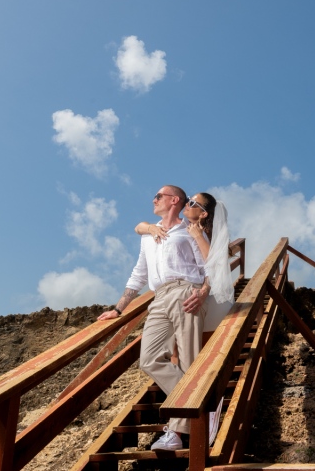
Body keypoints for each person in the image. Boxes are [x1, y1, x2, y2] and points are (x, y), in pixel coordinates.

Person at [98, 185, 209, 451]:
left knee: (189, 361)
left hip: (186, 292)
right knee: (148, 359)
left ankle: (176, 432)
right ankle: (201, 409)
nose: (153, 199)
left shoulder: (189, 230)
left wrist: (203, 292)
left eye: (158, 196)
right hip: (158, 298)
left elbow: (208, 267)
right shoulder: (148, 235)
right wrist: (118, 308)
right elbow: (139, 273)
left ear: (174, 200)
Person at [136, 192, 234, 335]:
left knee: (203, 348)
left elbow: (213, 265)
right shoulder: (180, 229)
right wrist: (151, 228)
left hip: (209, 298)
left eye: (192, 203)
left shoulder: (207, 234)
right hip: (185, 297)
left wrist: (198, 236)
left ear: (203, 214)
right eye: (188, 201)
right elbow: (139, 227)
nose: (187, 204)